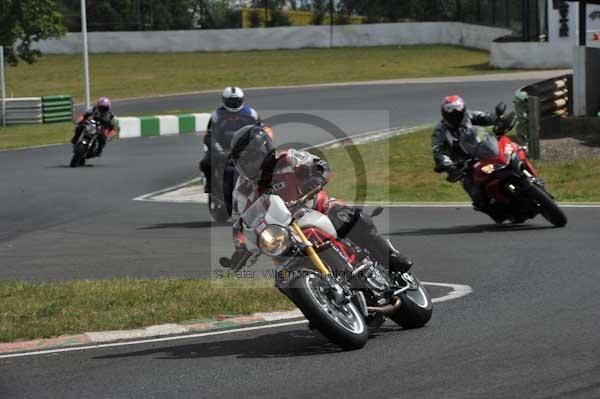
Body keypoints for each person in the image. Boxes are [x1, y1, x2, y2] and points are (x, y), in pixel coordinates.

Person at [226, 124, 412, 276]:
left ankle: (391, 257)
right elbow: (240, 223)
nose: (248, 164)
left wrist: (315, 177)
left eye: (252, 158)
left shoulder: (288, 159)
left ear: (264, 150)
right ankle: (321, 309)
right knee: (282, 275)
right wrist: (240, 247)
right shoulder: (242, 190)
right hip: (282, 232)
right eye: (243, 161)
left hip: (316, 208)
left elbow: (318, 165)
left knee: (350, 217)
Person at [432, 95, 498, 214]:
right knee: (476, 194)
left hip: (483, 152)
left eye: (458, 112)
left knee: (512, 151)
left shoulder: (470, 115)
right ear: (445, 114)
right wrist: (449, 166)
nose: (455, 116)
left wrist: (498, 119)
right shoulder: (440, 131)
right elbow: (438, 151)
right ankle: (495, 211)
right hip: (464, 165)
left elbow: (487, 117)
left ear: (463, 110)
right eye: (451, 114)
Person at [199, 87, 259, 193]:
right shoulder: (217, 115)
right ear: (224, 101)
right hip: (223, 149)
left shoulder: (251, 114)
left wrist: (255, 144)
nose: (234, 104)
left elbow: (261, 130)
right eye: (231, 102)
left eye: (237, 101)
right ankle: (210, 185)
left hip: (244, 149)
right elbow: (210, 136)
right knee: (205, 164)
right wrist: (219, 150)